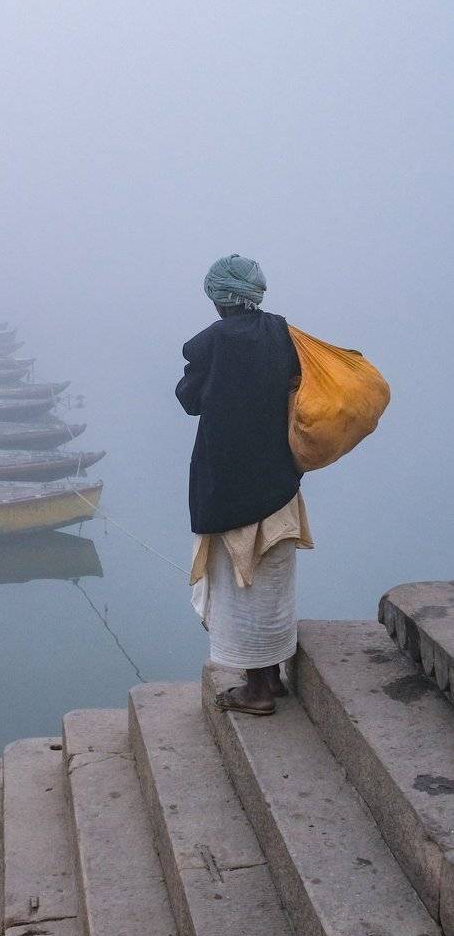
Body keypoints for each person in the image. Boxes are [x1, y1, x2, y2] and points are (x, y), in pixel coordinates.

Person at [176, 254, 313, 715]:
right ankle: (270, 677)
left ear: (218, 299)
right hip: (278, 481)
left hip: (231, 484)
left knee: (240, 583)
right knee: (271, 579)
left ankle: (255, 693)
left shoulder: (213, 342)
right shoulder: (280, 330)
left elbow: (190, 399)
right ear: (256, 295)